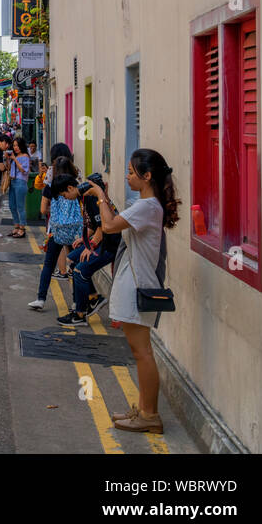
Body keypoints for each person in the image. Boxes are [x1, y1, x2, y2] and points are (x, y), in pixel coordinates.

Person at [91, 149, 179, 434]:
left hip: (139, 286)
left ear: (147, 176)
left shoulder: (147, 206)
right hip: (135, 283)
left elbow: (108, 225)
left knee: (142, 353)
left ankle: (149, 415)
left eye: (131, 172)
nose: (127, 176)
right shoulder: (146, 205)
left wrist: (101, 197)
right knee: (139, 351)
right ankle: (143, 409)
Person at [57, 173, 119, 325]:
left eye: (64, 194)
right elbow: (92, 224)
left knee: (80, 271)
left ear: (70, 187)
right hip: (100, 240)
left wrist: (91, 246)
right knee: (72, 260)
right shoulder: (82, 197)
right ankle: (93, 297)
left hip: (109, 244)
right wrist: (84, 238)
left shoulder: (90, 196)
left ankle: (80, 314)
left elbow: (102, 226)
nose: (65, 197)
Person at [28, 174, 83, 310]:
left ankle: (41, 298)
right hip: (75, 233)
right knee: (76, 267)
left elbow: (43, 209)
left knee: (48, 265)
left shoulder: (50, 188)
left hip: (56, 232)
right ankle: (76, 301)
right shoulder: (78, 188)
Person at [7, 137, 31, 238]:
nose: (15, 147)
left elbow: (23, 170)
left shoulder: (25, 156)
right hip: (12, 182)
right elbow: (9, 169)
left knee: (20, 207)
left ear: (21, 145)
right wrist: (8, 159)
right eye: (14, 145)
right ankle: (16, 226)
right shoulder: (14, 156)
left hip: (21, 183)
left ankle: (22, 228)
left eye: (17, 145)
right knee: (12, 206)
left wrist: (14, 159)